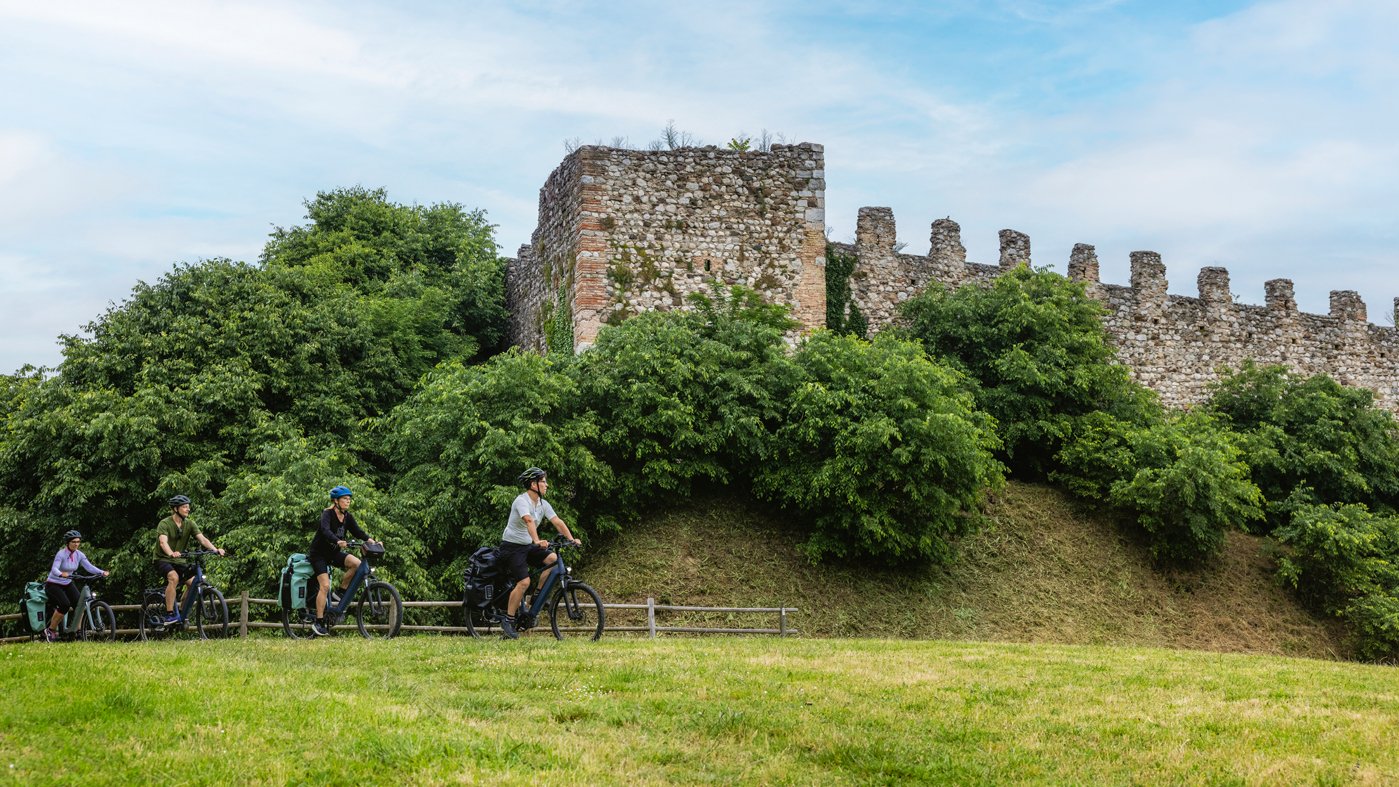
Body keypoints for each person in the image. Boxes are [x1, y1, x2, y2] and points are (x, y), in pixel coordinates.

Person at [497, 467, 580, 639]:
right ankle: (508, 620)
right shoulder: (522, 501)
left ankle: (537, 597)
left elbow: (557, 522)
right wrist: (536, 540)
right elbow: (528, 521)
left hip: (527, 545)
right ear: (533, 484)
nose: (546, 485)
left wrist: (571, 539)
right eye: (543, 481)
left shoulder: (542, 504)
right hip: (511, 547)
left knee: (553, 559)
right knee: (524, 581)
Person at [309, 486, 380, 637]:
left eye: (349, 499)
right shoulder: (327, 514)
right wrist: (338, 541)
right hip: (319, 554)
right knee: (325, 585)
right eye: (345, 499)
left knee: (357, 564)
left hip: (333, 553)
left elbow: (358, 531)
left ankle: (340, 592)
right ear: (336, 501)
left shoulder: (347, 517)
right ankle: (319, 622)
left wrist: (371, 540)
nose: (348, 501)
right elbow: (325, 530)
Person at [153, 495, 224, 625]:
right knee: (173, 577)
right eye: (184, 507)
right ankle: (170, 614)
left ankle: (181, 610)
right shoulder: (164, 523)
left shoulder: (189, 523)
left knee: (193, 583)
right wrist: (171, 553)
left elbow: (202, 539)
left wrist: (215, 549)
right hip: (162, 559)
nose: (188, 509)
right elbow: (163, 542)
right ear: (176, 509)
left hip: (180, 561)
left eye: (188, 507)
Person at [42, 530, 109, 642]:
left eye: (78, 542)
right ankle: (50, 630)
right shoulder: (61, 554)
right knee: (65, 605)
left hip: (67, 583)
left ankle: (77, 631)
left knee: (80, 604)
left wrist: (101, 572)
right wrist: (60, 573)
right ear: (68, 543)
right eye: (74, 542)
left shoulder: (79, 554)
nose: (76, 544)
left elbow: (89, 567)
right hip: (53, 584)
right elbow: (54, 569)